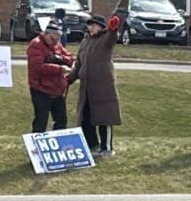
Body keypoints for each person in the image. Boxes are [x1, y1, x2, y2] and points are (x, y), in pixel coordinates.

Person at [68, 14, 122, 157]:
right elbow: (79, 64)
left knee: (105, 117)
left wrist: (113, 29)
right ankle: (92, 145)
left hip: (103, 87)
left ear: (101, 27)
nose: (90, 27)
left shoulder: (105, 39)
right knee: (86, 118)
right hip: (86, 87)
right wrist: (69, 78)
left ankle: (107, 148)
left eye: (93, 25)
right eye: (89, 24)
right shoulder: (85, 41)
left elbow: (112, 38)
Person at [26, 21, 74, 133]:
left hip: (57, 88)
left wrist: (60, 58)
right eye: (53, 39)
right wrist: (60, 69)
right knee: (41, 120)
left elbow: (70, 58)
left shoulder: (57, 44)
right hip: (41, 88)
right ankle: (37, 142)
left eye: (58, 39)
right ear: (46, 34)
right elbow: (37, 68)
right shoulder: (35, 45)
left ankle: (59, 141)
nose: (55, 42)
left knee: (61, 120)